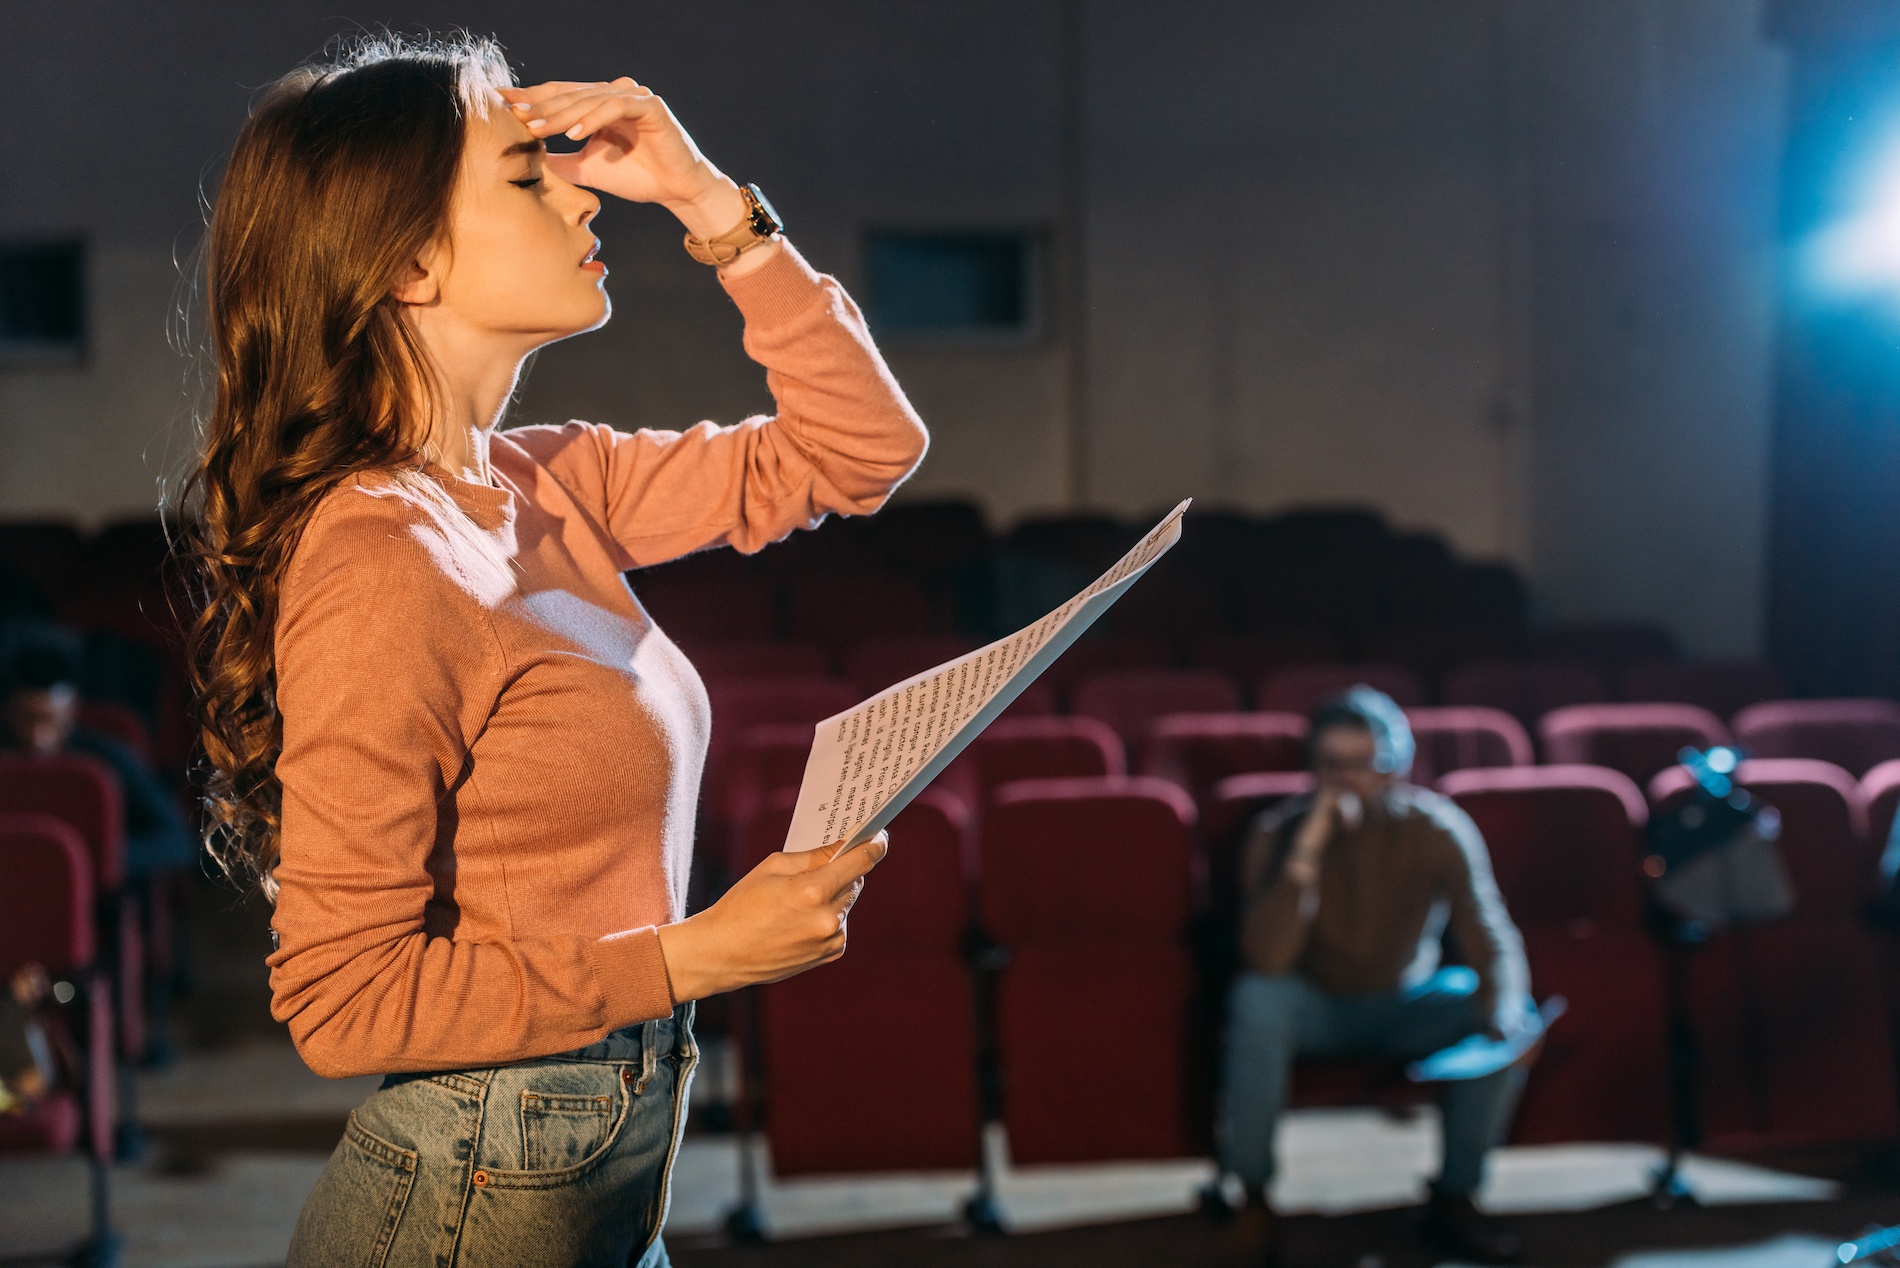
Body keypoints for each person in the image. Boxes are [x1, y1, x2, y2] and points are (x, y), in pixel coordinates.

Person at [185, 34, 927, 1267]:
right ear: (409, 263)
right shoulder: (383, 559)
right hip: (471, 1200)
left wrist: (711, 204)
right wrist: (700, 952)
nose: (585, 192)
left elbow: (860, 449)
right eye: (526, 180)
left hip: (592, 1175)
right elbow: (339, 1003)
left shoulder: (544, 482)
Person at [1220, 687, 1533, 1266]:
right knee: (1256, 998)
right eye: (1331, 766)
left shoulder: (1436, 828)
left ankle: (1456, 1197)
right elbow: (1266, 957)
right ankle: (1255, 1198)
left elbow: (1489, 932)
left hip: (1405, 1002)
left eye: (1364, 766)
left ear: (1396, 767)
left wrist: (1506, 1006)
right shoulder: (1276, 832)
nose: (1347, 781)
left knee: (1492, 1003)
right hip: (1314, 1006)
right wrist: (1307, 851)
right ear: (1311, 767)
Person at [0, 620, 196, 878]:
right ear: (6, 712)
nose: (38, 738)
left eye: (49, 721)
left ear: (71, 712)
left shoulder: (110, 760)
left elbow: (178, 842)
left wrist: (91, 860)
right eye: (27, 720)